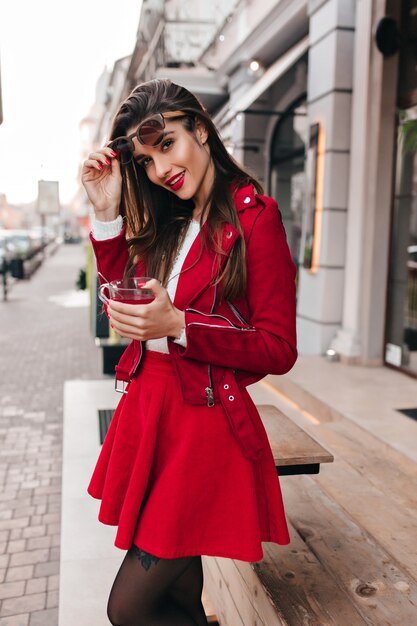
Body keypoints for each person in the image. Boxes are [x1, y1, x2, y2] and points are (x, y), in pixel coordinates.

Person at [81, 78, 297, 626]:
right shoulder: (169, 222)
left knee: (128, 608)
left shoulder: (255, 218)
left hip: (202, 424)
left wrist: (180, 323)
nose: (159, 170)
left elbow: (277, 346)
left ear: (199, 129)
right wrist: (107, 214)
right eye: (147, 160)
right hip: (150, 408)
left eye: (167, 145)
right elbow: (123, 304)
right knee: (177, 598)